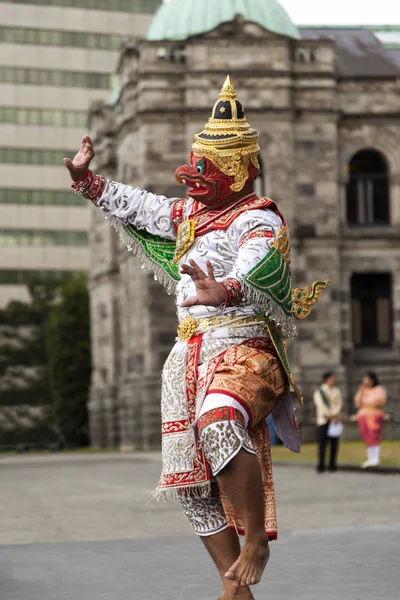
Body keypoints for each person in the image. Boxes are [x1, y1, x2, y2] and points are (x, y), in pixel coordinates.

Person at [64, 76, 327, 600]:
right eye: (194, 162)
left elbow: (260, 266)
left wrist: (225, 288)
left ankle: (256, 541)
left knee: (220, 421)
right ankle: (235, 588)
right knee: (187, 479)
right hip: (187, 353)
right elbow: (139, 205)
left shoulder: (258, 217)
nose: (193, 174)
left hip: (245, 348)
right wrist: (90, 181)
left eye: (205, 166)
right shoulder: (188, 216)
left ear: (237, 170)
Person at [354, 372, 387, 468]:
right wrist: (361, 390)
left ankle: (376, 458)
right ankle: (370, 458)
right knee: (366, 437)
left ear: (372, 380)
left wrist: (367, 402)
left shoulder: (379, 390)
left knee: (374, 436)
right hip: (362, 416)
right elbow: (357, 402)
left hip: (374, 416)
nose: (365, 382)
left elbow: (378, 401)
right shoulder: (363, 390)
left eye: (367, 380)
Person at [313, 371, 343, 473]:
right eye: (331, 378)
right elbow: (320, 405)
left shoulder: (337, 391)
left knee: (334, 444)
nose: (333, 380)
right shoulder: (320, 392)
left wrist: (335, 414)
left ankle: (332, 464)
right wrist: (329, 415)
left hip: (334, 420)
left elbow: (339, 404)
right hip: (323, 420)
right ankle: (321, 464)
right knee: (322, 444)